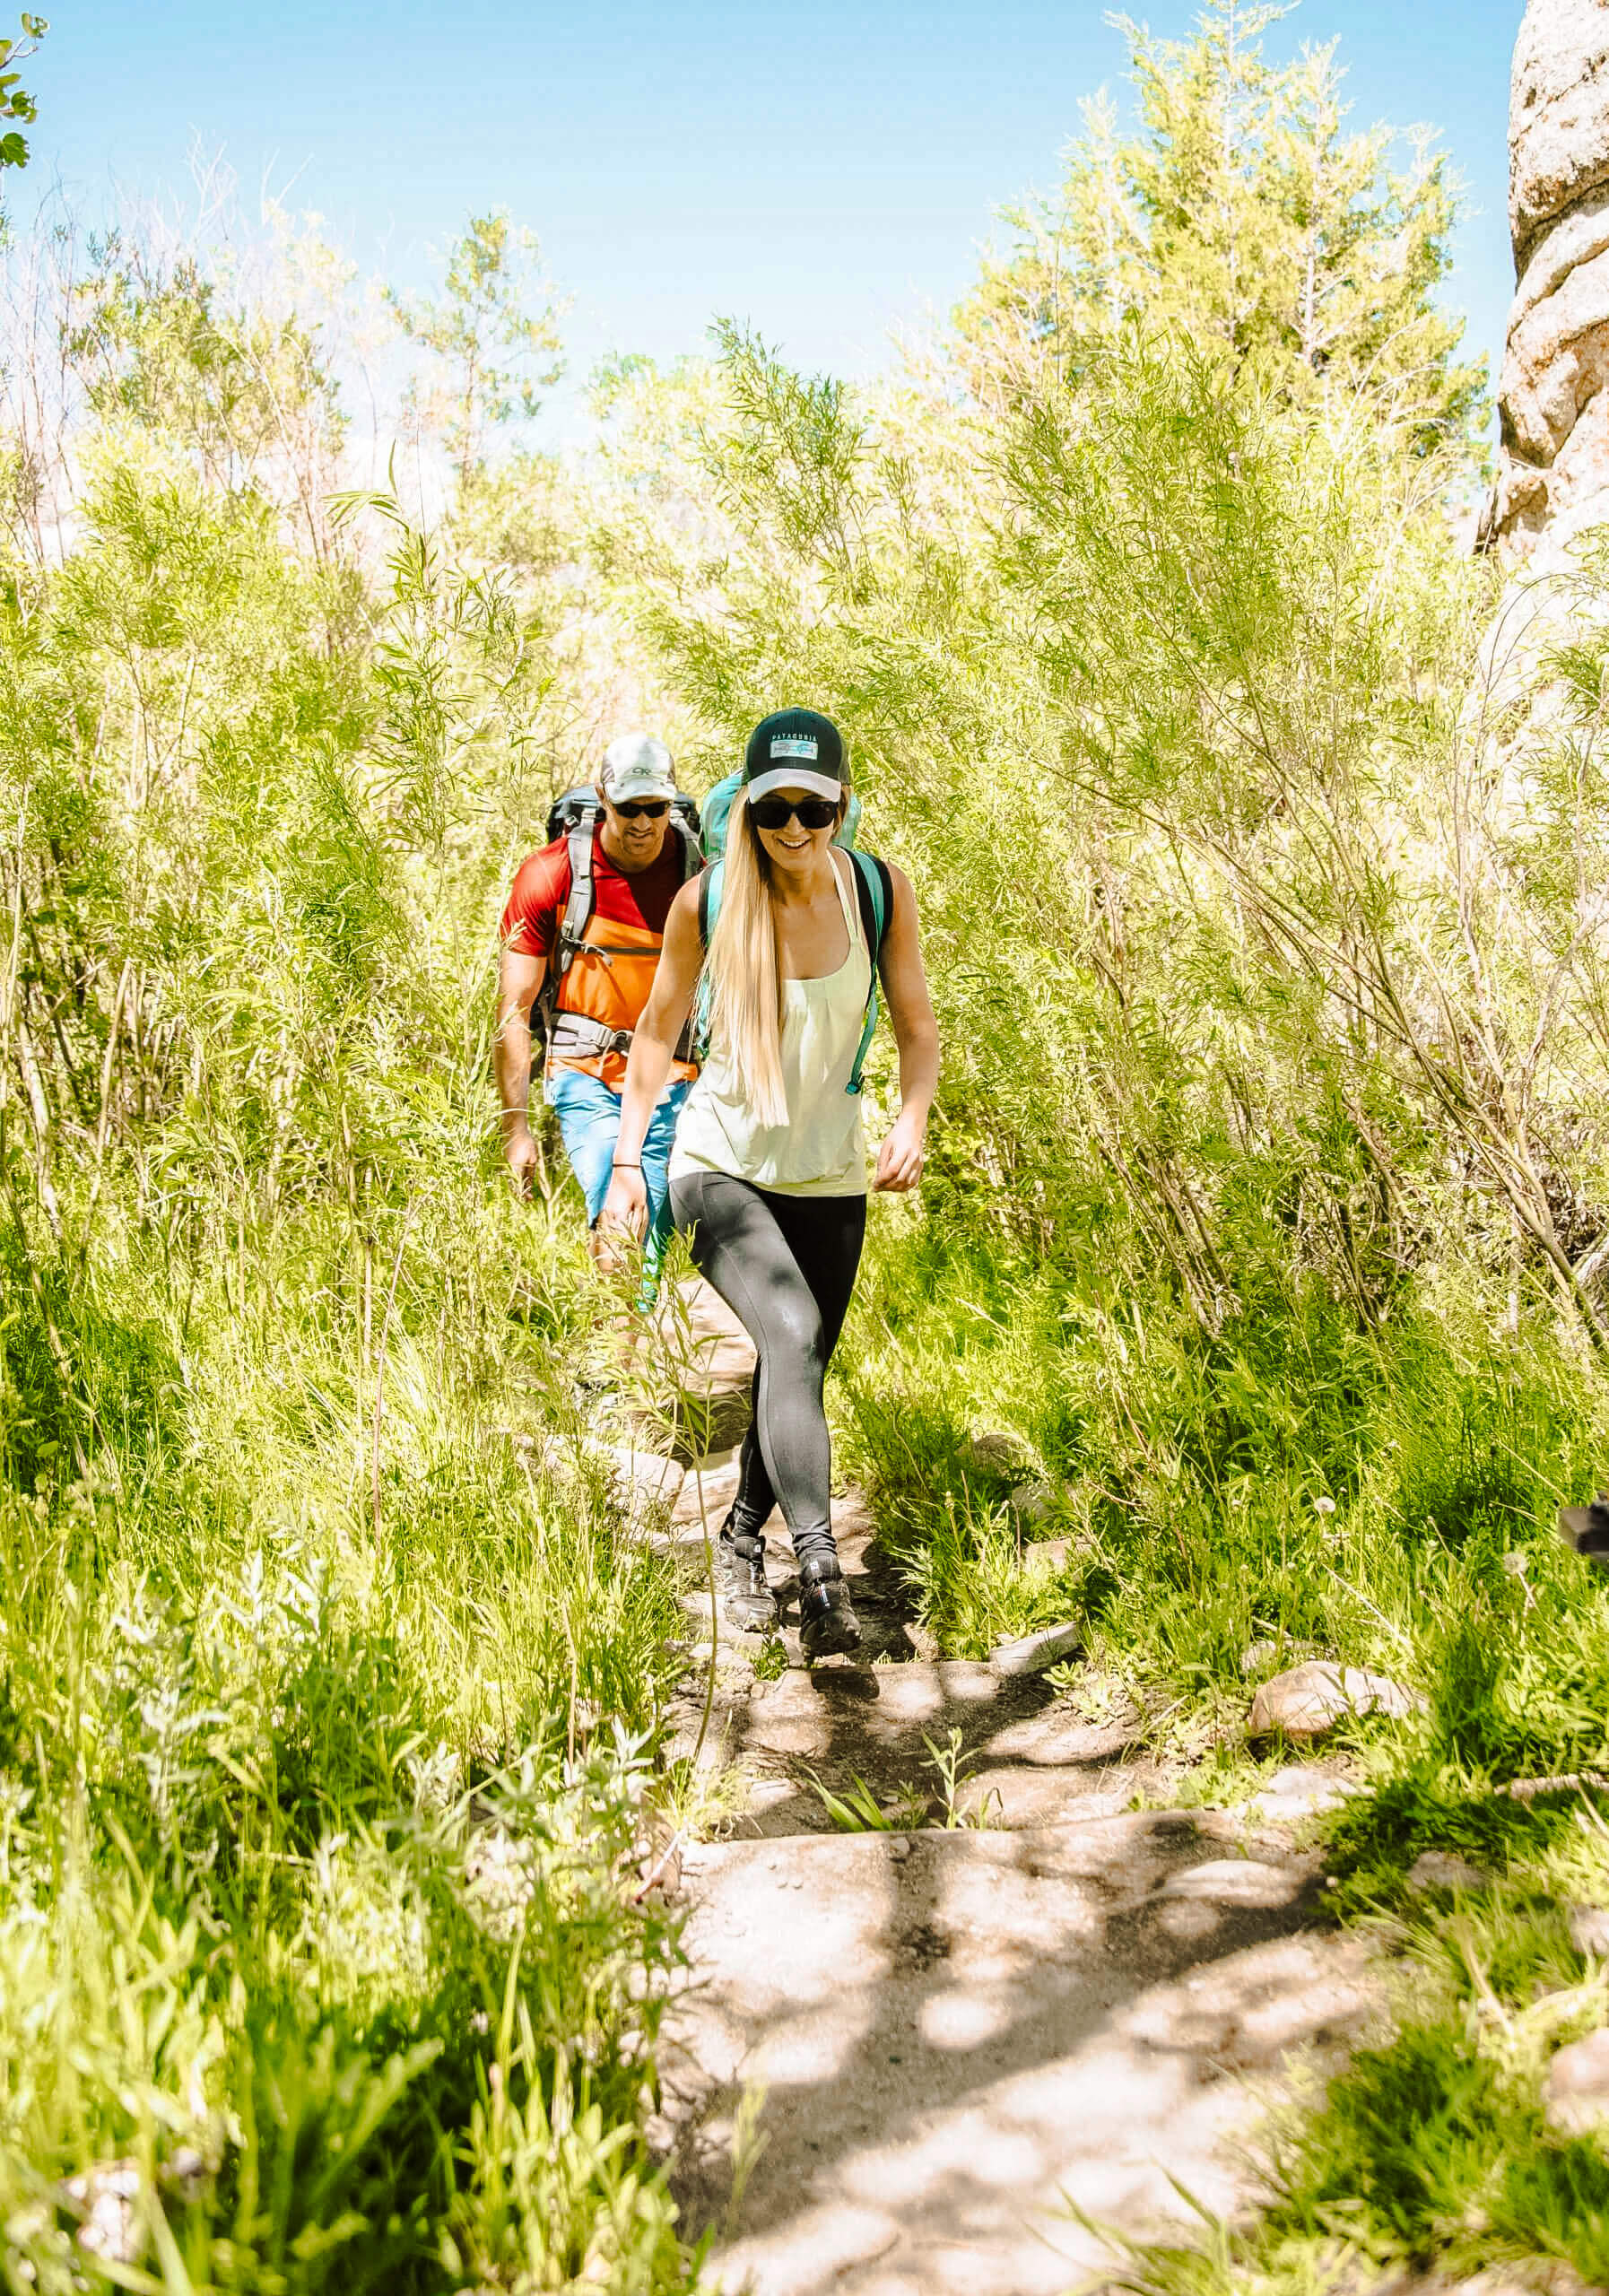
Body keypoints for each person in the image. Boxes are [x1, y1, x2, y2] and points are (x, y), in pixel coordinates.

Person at [600, 708, 939, 1658]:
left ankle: (740, 1537)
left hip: (828, 1171)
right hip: (719, 1165)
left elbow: (917, 1026)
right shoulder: (706, 901)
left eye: (813, 809)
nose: (793, 828)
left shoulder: (878, 891)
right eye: (773, 810)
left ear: (840, 807)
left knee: (802, 1360)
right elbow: (659, 1032)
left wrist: (911, 1118)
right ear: (745, 809)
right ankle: (824, 1578)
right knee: (788, 1330)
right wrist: (631, 1163)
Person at [495, 733, 700, 1264]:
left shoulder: (700, 876)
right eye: (629, 808)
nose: (643, 823)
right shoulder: (550, 874)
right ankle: (624, 1343)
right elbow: (513, 1010)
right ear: (603, 800)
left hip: (673, 1076)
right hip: (582, 1069)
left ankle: (631, 1339)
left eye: (655, 808)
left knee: (646, 1227)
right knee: (622, 1219)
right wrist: (516, 1128)